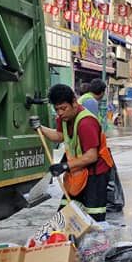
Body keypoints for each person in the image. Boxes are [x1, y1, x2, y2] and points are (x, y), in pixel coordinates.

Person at [38, 83, 113, 222]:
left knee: (93, 217)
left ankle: (95, 243)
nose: (60, 113)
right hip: (78, 170)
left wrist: (65, 166)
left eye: (63, 108)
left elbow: (91, 156)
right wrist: (39, 128)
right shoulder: (64, 119)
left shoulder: (86, 123)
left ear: (74, 102)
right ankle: (67, 243)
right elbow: (60, 136)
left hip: (96, 174)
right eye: (57, 109)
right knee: (66, 214)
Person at [79, 78, 124, 213]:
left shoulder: (83, 99)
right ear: (102, 92)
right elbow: (91, 126)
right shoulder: (91, 102)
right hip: (91, 148)